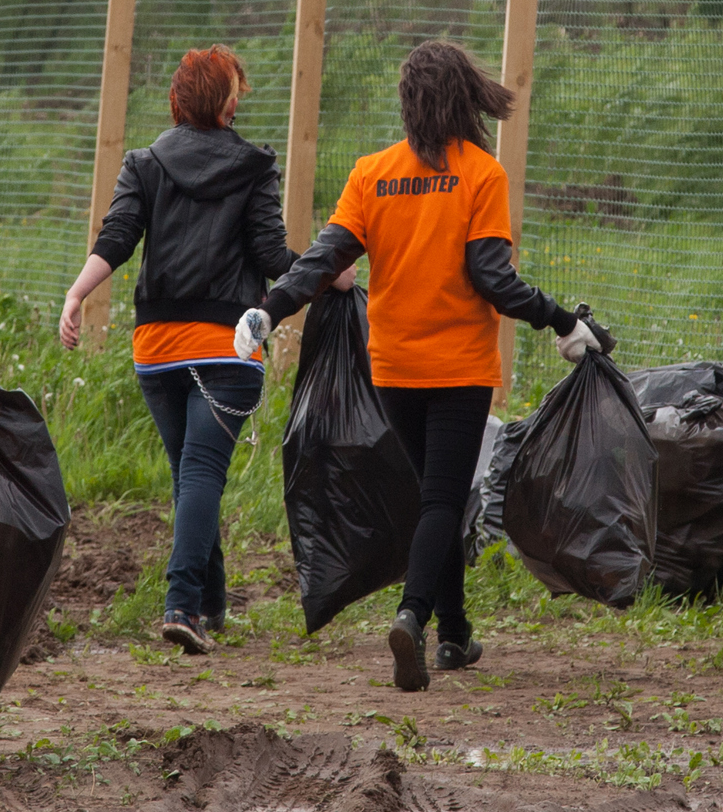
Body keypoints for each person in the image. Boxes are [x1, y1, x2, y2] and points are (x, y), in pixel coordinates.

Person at [234, 39, 600, 692]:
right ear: (464, 97)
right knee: (440, 498)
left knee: (442, 498)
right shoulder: (481, 174)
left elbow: (321, 260)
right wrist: (563, 320)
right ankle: (413, 616)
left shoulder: (372, 173)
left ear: (409, 102)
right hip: (458, 367)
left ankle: (454, 632)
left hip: (393, 368)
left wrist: (268, 310)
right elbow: (494, 278)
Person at [59, 45, 300, 655]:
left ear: (176, 98)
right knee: (200, 473)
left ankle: (211, 604)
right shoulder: (254, 165)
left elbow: (116, 238)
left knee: (194, 475)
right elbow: (273, 256)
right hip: (229, 347)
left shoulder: (145, 162)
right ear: (227, 99)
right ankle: (183, 605)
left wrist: (77, 292)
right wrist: (327, 271)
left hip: (159, 349)